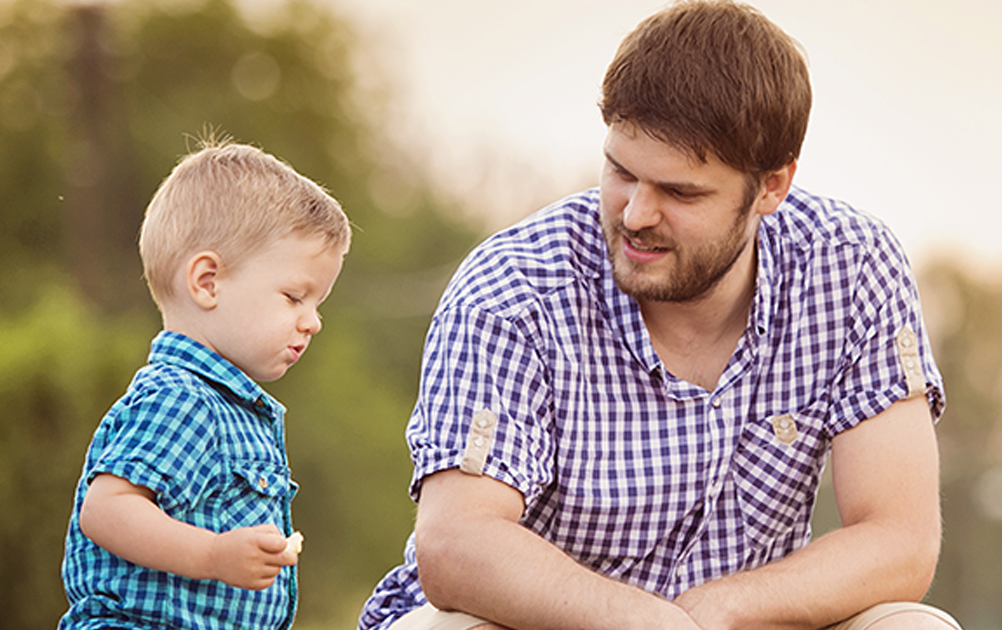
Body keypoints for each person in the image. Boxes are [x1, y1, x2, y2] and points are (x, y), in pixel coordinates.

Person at [358, 2, 960, 630]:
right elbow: (456, 544)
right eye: (621, 172)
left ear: (772, 187)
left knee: (914, 627)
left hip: (737, 624)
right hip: (538, 622)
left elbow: (899, 539)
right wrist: (652, 623)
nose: (636, 214)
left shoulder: (851, 267)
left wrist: (722, 609)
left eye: (680, 192)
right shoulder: (513, 289)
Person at [58, 140, 350, 630]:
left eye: (316, 304)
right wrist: (213, 554)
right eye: (294, 297)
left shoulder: (227, 406)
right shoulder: (182, 398)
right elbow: (107, 510)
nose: (312, 321)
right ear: (208, 282)